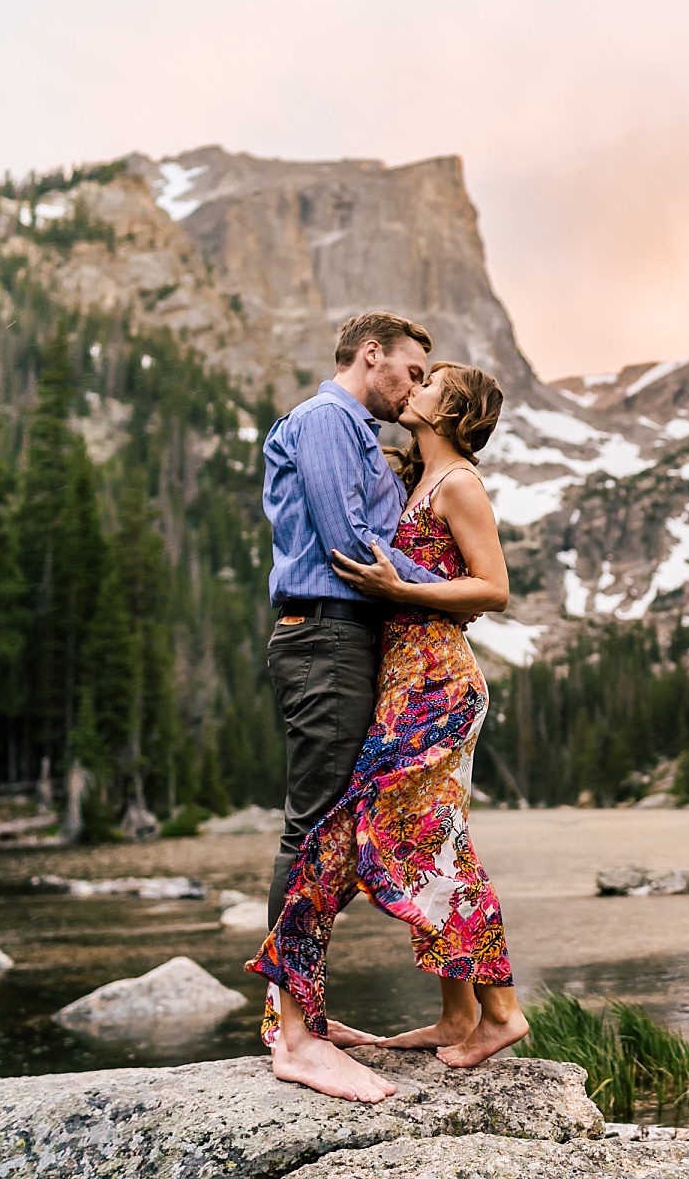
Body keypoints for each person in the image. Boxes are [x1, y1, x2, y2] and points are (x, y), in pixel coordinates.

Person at [250, 360, 522, 1102]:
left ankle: (500, 1011)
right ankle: (458, 1015)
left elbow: (493, 586)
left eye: (429, 382)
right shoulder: (418, 481)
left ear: (452, 410)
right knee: (425, 835)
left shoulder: (460, 482)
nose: (414, 388)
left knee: (422, 838)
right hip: (404, 675)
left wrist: (400, 588)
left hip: (435, 681)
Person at [254, 311, 441, 1100]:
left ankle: (296, 1018)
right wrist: (454, 595)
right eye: (411, 370)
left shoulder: (354, 428)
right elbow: (351, 543)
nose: (417, 387)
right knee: (314, 823)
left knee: (329, 825)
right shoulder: (329, 420)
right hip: (326, 637)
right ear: (372, 356)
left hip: (342, 640)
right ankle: (294, 1037)